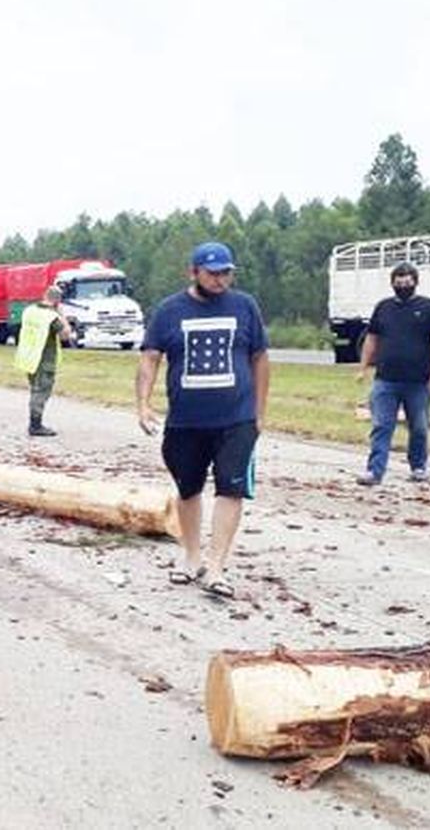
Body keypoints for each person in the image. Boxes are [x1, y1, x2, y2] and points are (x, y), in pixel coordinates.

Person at [135, 241, 269, 599]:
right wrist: (143, 404)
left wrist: (259, 411)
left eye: (226, 272)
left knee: (232, 487)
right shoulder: (169, 310)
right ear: (193, 272)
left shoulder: (245, 307)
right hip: (185, 420)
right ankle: (191, 556)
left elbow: (259, 358)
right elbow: (150, 358)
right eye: (212, 273)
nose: (220, 279)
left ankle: (216, 565)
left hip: (236, 418)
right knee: (188, 488)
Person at [356, 262, 430, 485]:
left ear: (415, 282)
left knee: (418, 426)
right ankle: (374, 471)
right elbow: (372, 338)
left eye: (407, 282)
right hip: (386, 380)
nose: (403, 286)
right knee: (381, 426)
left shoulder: (429, 308)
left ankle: (418, 466)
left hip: (418, 381)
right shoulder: (383, 308)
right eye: (399, 282)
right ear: (392, 283)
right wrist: (363, 367)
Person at [13, 284, 74, 436]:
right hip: (44, 359)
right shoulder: (51, 317)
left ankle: (35, 423)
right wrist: (62, 316)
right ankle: (35, 425)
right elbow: (65, 334)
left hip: (28, 357)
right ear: (58, 301)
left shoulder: (30, 311)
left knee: (35, 389)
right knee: (41, 392)